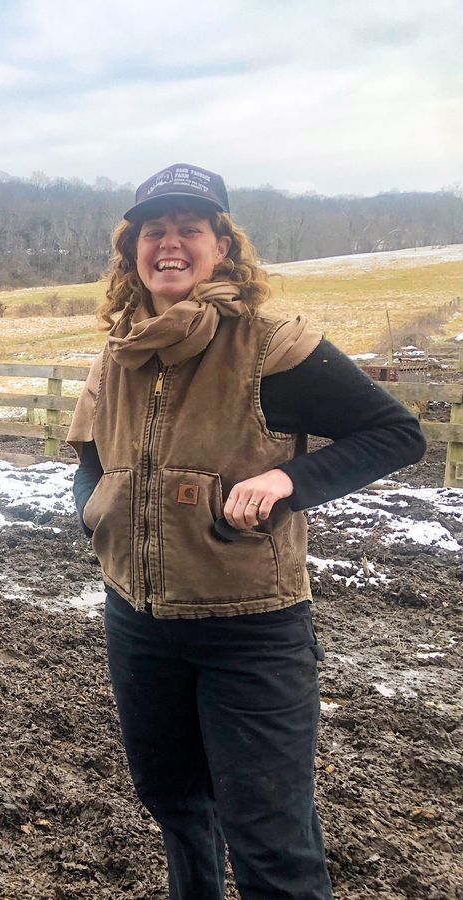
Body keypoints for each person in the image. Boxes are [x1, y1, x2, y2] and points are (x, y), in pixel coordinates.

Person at [66, 163, 426, 899]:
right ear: (131, 250)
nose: (169, 243)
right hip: (137, 624)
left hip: (250, 629)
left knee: (270, 843)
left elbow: (393, 433)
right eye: (152, 231)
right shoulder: (119, 351)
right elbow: (91, 460)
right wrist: (95, 512)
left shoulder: (271, 346)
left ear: (222, 247)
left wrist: (288, 481)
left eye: (188, 230)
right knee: (173, 803)